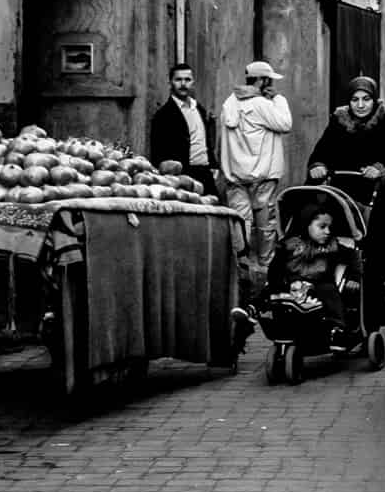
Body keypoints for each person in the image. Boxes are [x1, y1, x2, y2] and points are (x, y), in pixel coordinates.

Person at [307, 76, 385, 340]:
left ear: (374, 100)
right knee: (342, 254)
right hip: (346, 200)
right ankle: (342, 310)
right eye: (355, 99)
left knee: (377, 257)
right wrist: (318, 165)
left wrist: (381, 170)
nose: (361, 105)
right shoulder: (337, 125)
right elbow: (321, 153)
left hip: (380, 202)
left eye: (366, 99)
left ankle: (376, 315)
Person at [219, 61, 292, 295]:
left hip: (235, 175)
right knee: (265, 226)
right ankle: (266, 277)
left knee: (239, 224)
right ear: (262, 81)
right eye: (269, 80)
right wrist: (278, 99)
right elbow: (285, 123)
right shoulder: (262, 104)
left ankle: (241, 276)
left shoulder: (229, 103)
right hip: (262, 173)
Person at [265, 201, 355, 331]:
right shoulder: (292, 244)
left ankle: (338, 327)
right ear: (307, 224)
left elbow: (352, 257)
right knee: (269, 288)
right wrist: (277, 285)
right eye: (322, 227)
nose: (328, 231)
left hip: (318, 283)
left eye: (330, 227)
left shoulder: (332, 246)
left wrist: (354, 277)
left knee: (330, 292)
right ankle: (253, 310)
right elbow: (276, 267)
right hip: (292, 282)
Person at [148, 62, 218, 196]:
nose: (183, 84)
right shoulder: (163, 115)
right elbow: (157, 154)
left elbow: (205, 139)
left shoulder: (199, 109)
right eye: (178, 79)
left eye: (187, 80)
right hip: (183, 177)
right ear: (170, 83)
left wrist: (213, 164)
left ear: (193, 82)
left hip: (205, 173)